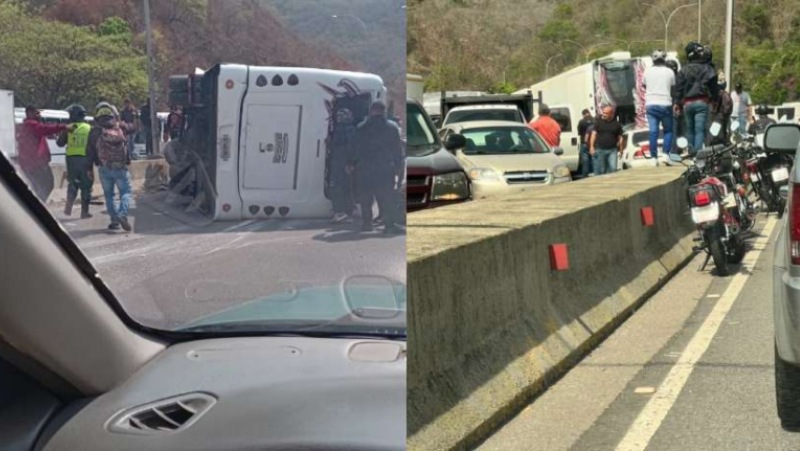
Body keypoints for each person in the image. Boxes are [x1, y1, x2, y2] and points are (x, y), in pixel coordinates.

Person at [349, 101, 403, 234]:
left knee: (366, 198)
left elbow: (354, 148)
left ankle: (367, 224)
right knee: (386, 197)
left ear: (371, 111)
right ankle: (389, 225)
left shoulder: (361, 127)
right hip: (384, 168)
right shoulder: (391, 128)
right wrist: (398, 165)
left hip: (365, 168)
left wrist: (350, 163)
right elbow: (397, 149)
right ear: (384, 111)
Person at [87, 102, 135, 231]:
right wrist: (120, 120)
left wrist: (89, 169)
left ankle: (114, 221)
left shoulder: (94, 132)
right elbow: (134, 127)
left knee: (109, 195)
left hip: (104, 167)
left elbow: (90, 152)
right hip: (120, 167)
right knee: (125, 192)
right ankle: (122, 214)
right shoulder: (120, 127)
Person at [15, 105, 69, 203]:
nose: (39, 115)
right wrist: (64, 126)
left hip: (28, 164)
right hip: (37, 164)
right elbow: (46, 129)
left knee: (37, 186)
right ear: (29, 113)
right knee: (48, 184)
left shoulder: (24, 126)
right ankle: (38, 204)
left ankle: (36, 202)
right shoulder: (32, 125)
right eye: (36, 113)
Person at [674, 41, 719, 155]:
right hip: (702, 102)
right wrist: (715, 100)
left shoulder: (683, 70)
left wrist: (677, 104)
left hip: (687, 104)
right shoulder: (708, 69)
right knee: (700, 130)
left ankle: (690, 152)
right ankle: (698, 155)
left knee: (689, 130)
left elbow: (679, 89)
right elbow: (714, 87)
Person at [56, 104, 93, 218]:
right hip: (85, 160)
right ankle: (84, 211)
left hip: (71, 160)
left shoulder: (69, 128)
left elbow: (59, 143)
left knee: (73, 183)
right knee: (86, 185)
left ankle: (68, 207)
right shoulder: (89, 128)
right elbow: (93, 145)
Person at [643, 49, 675, 164]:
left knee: (653, 131)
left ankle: (653, 158)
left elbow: (644, 85)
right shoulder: (669, 72)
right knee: (668, 130)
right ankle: (666, 155)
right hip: (665, 103)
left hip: (651, 104)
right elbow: (673, 86)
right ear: (664, 59)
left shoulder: (647, 71)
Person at [329, 107, 357, 223]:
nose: (339, 118)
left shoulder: (345, 129)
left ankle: (341, 212)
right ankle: (347, 211)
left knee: (338, 186)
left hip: (341, 162)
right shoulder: (349, 129)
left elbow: (349, 147)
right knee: (346, 186)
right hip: (343, 162)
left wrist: (349, 162)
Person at [589, 105, 624, 175]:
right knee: (602, 170)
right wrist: (591, 147)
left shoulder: (617, 124)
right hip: (600, 150)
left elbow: (620, 138)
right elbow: (593, 135)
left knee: (613, 168)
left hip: (612, 150)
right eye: (603, 112)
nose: (603, 114)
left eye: (605, 113)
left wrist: (621, 149)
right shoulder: (598, 122)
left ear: (611, 114)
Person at [709, 80, 733, 145]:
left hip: (719, 114)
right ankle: (722, 142)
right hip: (723, 115)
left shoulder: (720, 93)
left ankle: (719, 143)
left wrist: (714, 112)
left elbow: (717, 105)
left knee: (718, 132)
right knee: (722, 131)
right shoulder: (726, 94)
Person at [577, 108, 594, 177]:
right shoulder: (595, 120)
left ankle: (585, 175)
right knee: (594, 158)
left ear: (583, 115)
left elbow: (579, 132)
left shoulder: (581, 122)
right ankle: (595, 173)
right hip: (593, 143)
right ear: (589, 113)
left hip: (584, 143)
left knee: (585, 160)